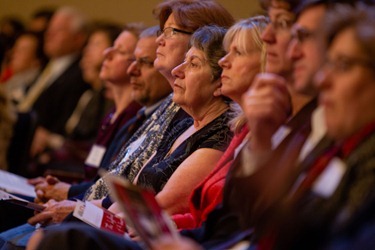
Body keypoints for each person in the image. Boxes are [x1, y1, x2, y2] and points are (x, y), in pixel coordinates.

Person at [0, 0, 235, 246]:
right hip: (101, 214)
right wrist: (79, 205)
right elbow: (122, 180)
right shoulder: (177, 116)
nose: (159, 41)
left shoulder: (213, 127)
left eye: (169, 32)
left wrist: (77, 210)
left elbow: (160, 205)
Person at [171, 16, 268, 229]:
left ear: (266, 62)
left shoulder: (266, 134)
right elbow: (203, 219)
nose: (224, 61)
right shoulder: (243, 129)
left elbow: (235, 226)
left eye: (238, 52)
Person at [17, 7, 90, 167]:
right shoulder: (45, 67)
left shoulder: (80, 76)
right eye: (49, 29)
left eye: (59, 30)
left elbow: (61, 125)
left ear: (78, 38)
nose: (49, 35)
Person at [4, 31, 48, 106]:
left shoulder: (31, 87)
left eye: (23, 50)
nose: (13, 53)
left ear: (36, 61)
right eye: (16, 47)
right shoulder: (12, 76)